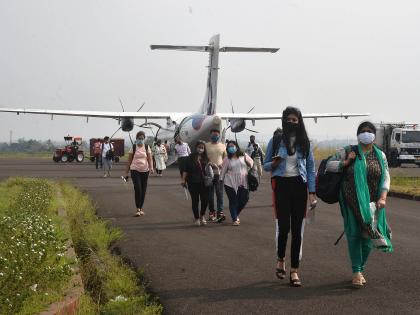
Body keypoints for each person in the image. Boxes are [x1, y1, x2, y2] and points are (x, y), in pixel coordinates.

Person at [326, 121, 392, 288]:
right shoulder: (349, 151)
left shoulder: (380, 155)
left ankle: (360, 268)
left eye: (369, 131)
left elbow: (385, 177)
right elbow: (329, 165)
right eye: (362, 131)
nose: (366, 133)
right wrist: (346, 162)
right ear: (358, 135)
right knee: (354, 234)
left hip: (372, 203)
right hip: (351, 201)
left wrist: (383, 197)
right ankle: (356, 272)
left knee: (369, 235)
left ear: (374, 135)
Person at [263, 106, 316, 287]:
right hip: (282, 186)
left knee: (297, 230)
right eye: (289, 119)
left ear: (299, 122)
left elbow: (310, 169)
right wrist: (274, 162)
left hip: (299, 186)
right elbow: (265, 165)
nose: (292, 122)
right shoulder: (276, 140)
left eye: (295, 120)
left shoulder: (305, 142)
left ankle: (294, 270)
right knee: (284, 227)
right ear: (283, 120)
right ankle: (280, 259)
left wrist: (312, 193)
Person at [220, 140, 253, 226]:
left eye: (232, 146)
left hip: (243, 180)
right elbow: (223, 171)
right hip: (230, 182)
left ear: (236, 147)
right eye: (229, 146)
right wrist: (220, 180)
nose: (231, 148)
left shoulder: (244, 155)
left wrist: (247, 161)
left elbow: (251, 164)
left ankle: (235, 213)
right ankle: (235, 219)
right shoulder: (227, 159)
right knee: (233, 201)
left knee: (244, 199)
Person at [181, 140, 211, 226]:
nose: (200, 149)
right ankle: (197, 218)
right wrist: (183, 180)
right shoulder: (190, 158)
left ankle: (202, 215)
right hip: (193, 182)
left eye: (202, 148)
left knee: (205, 200)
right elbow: (185, 170)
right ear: (196, 147)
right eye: (199, 147)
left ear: (204, 149)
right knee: (195, 200)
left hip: (204, 183)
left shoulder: (206, 158)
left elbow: (209, 170)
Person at [124, 131, 154, 216]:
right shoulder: (133, 147)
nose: (140, 140)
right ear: (136, 139)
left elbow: (150, 158)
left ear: (144, 139)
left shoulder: (147, 147)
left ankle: (141, 208)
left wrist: (151, 168)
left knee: (143, 190)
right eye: (139, 138)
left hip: (145, 170)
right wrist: (126, 172)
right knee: (138, 189)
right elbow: (129, 160)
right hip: (135, 170)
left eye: (142, 139)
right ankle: (137, 208)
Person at [205, 129, 226, 222]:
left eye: (217, 135)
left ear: (219, 135)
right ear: (210, 135)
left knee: (219, 193)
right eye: (213, 134)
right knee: (210, 195)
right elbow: (202, 157)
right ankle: (211, 213)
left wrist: (223, 164)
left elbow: (226, 158)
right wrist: (208, 163)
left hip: (219, 173)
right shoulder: (206, 145)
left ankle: (220, 213)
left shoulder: (223, 146)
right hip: (209, 173)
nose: (215, 136)